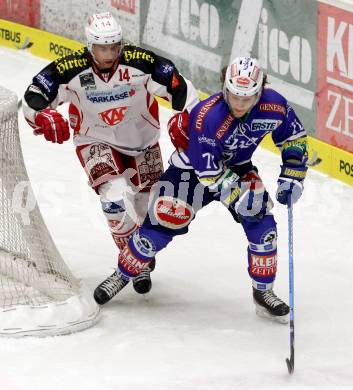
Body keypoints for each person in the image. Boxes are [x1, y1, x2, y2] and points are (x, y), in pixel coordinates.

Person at [95, 56, 308, 323]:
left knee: (263, 225)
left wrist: (293, 173)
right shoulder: (208, 116)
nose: (239, 104)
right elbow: (208, 172)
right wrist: (238, 194)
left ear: (259, 92)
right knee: (164, 220)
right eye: (233, 96)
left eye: (247, 98)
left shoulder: (274, 105)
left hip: (238, 166)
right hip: (191, 170)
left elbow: (293, 137)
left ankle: (263, 292)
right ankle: (123, 273)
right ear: (224, 88)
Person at [22, 11, 199, 303]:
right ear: (90, 46)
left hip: (143, 142)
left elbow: (181, 88)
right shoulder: (71, 67)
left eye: (114, 46)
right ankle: (133, 259)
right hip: (95, 141)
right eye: (103, 48)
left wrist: (190, 120)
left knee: (149, 209)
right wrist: (42, 115)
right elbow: (35, 94)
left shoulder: (142, 63)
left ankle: (138, 251)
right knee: (114, 202)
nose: (110, 54)